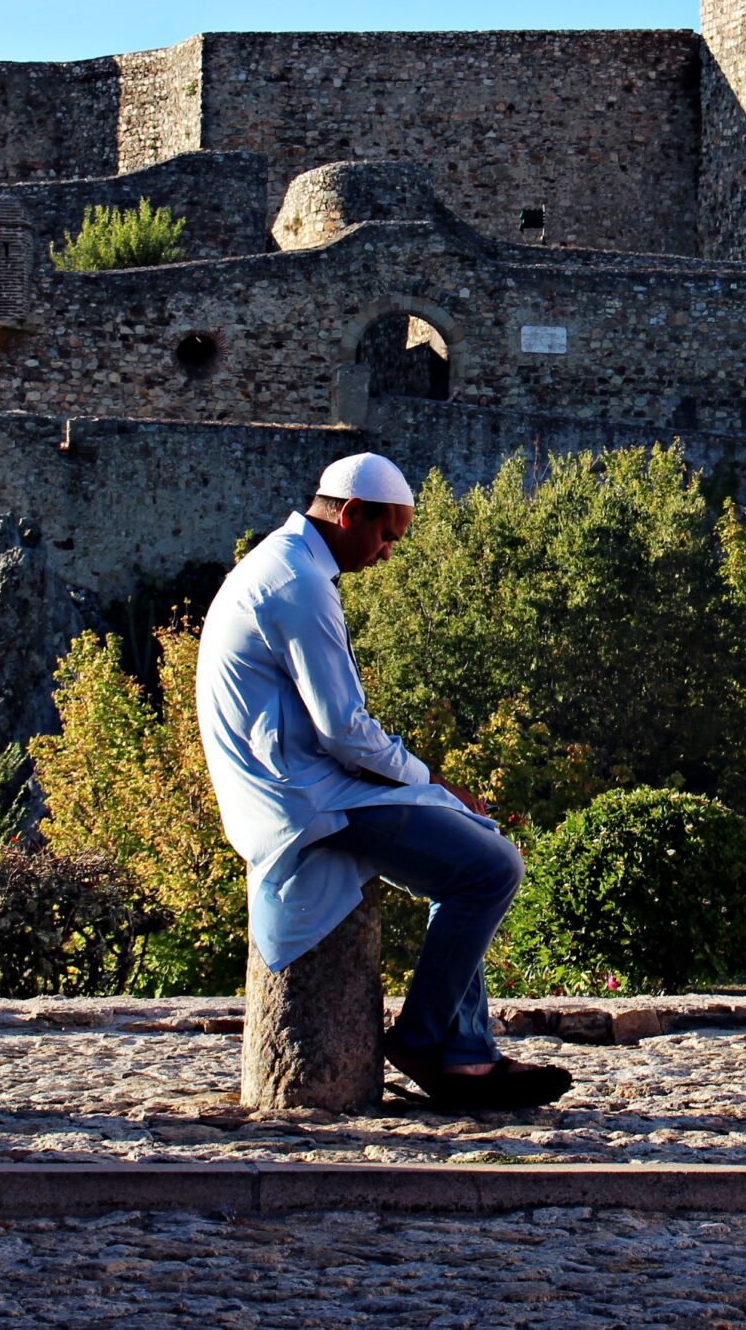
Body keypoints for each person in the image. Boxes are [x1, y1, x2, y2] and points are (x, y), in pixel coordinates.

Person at [196, 451, 572, 1110]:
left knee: (470, 847)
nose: (388, 552)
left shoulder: (283, 564)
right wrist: (431, 780)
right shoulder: (299, 584)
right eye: (386, 535)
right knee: (492, 868)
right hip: (300, 795)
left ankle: (467, 1055)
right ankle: (425, 1042)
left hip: (297, 780)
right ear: (350, 514)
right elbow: (345, 729)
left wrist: (430, 789)